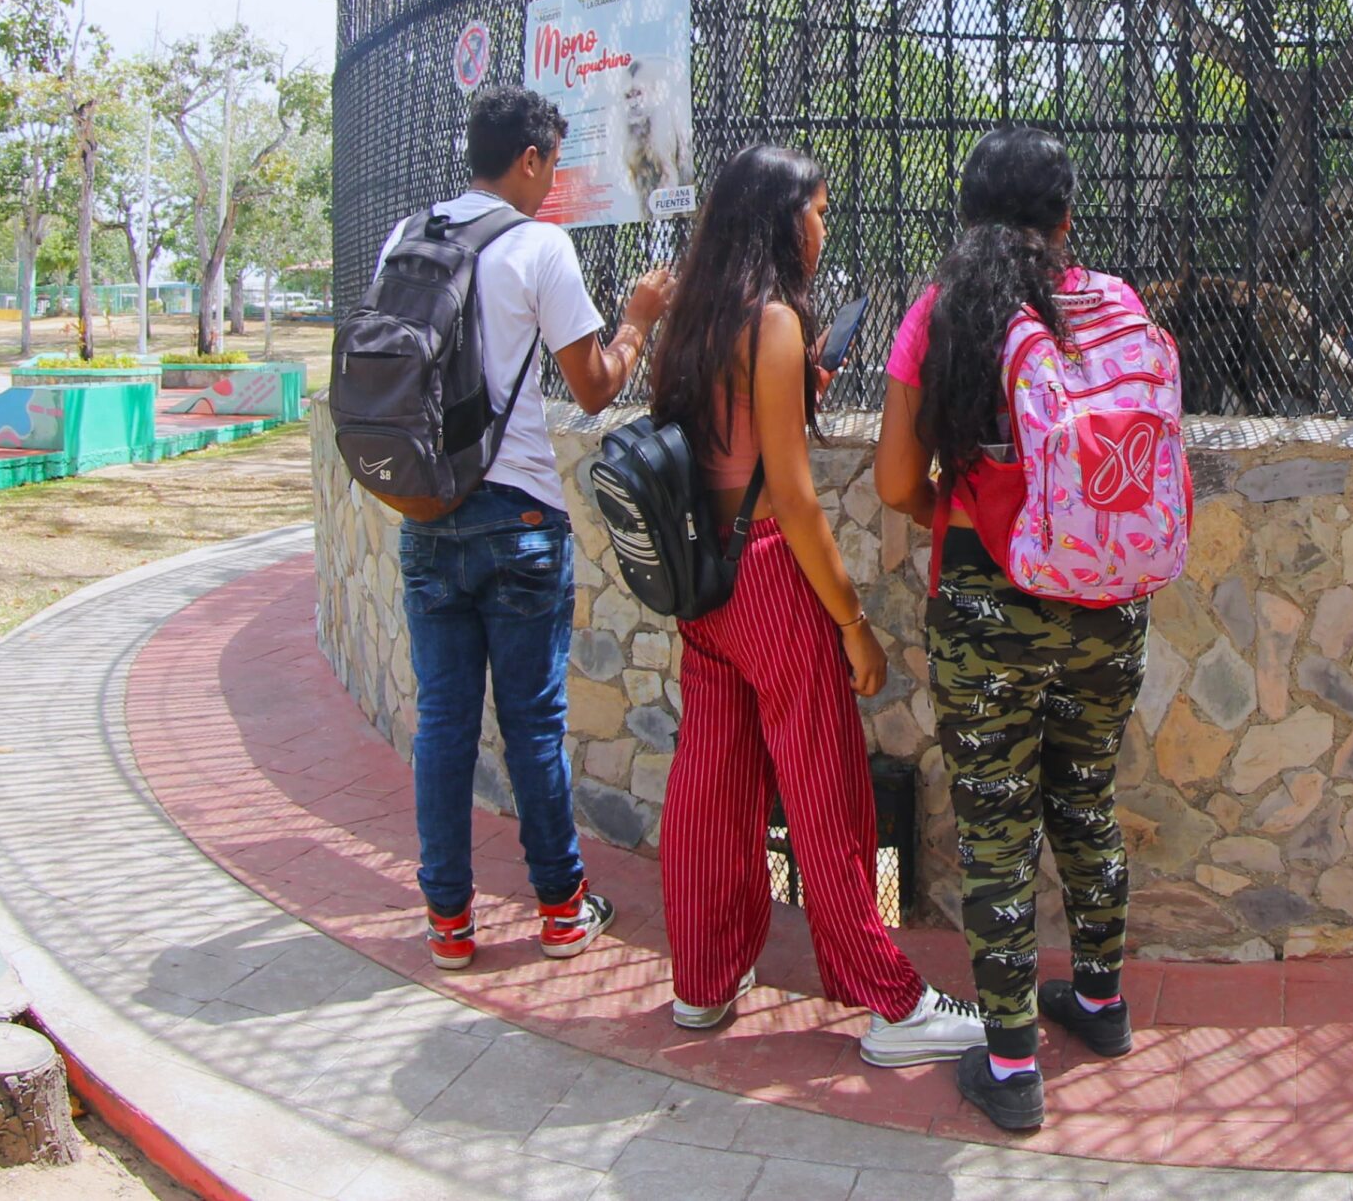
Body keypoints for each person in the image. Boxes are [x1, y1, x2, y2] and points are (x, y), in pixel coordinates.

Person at [646, 144, 985, 1065]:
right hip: (764, 574)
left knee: (711, 783)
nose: (824, 227)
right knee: (827, 789)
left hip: (701, 582)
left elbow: (720, 438)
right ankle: (890, 1003)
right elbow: (792, 499)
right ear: (782, 219)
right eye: (819, 211)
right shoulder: (774, 323)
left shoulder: (690, 319)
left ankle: (703, 981)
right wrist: (853, 621)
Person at [872, 127, 1161, 1135]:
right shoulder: (1109, 306)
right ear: (1065, 220)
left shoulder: (942, 315)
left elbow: (897, 481)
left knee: (997, 824)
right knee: (1087, 797)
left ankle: (1008, 1061)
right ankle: (1100, 1002)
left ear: (967, 216)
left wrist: (970, 517)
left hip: (987, 601)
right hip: (1106, 597)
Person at [389, 84, 674, 972]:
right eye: (550, 164)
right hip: (515, 518)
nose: (551, 183)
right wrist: (637, 321)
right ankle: (558, 908)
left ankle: (448, 921)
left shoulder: (410, 233)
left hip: (427, 511)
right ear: (530, 160)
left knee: (442, 723)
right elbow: (594, 385)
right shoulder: (537, 244)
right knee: (533, 725)